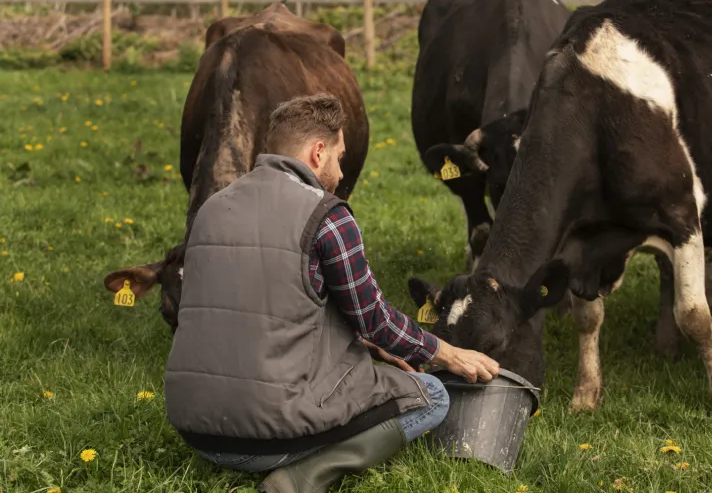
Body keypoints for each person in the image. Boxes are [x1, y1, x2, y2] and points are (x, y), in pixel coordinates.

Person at [162, 93, 501, 493]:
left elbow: (274, 303)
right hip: (270, 440)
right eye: (340, 157)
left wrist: (373, 343)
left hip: (197, 432)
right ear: (318, 152)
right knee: (431, 396)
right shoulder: (328, 215)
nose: (341, 174)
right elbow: (374, 319)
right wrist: (448, 353)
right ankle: (305, 476)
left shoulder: (212, 208)